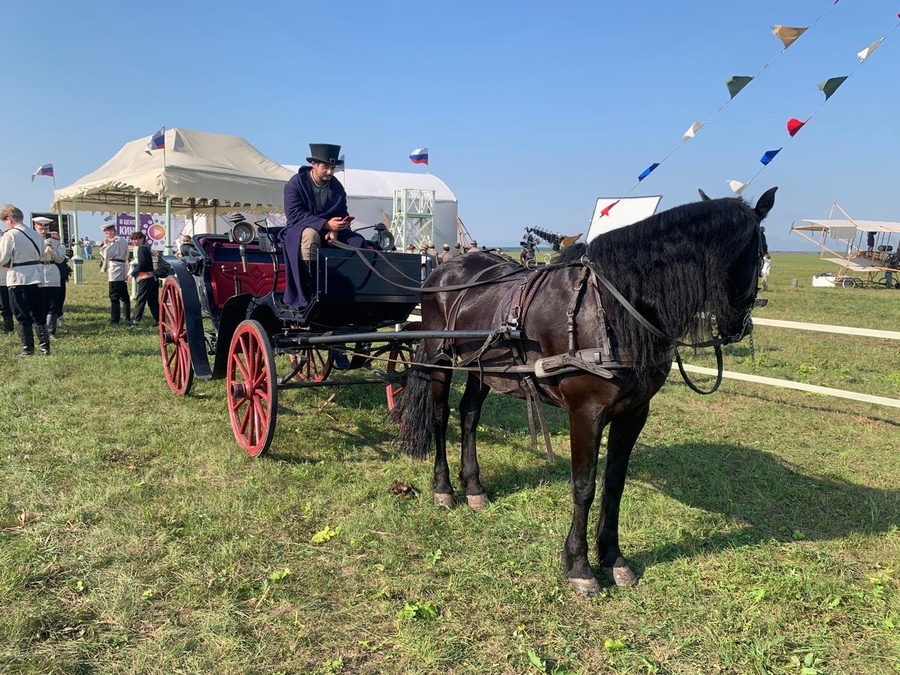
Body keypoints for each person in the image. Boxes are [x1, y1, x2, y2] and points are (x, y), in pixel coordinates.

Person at [279, 143, 367, 309]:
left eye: (333, 168)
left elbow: (342, 212)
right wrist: (326, 225)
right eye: (326, 167)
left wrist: (336, 228)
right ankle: (309, 289)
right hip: (300, 229)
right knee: (310, 236)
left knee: (358, 241)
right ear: (314, 164)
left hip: (332, 231)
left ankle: (351, 290)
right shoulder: (295, 184)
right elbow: (295, 214)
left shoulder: (337, 188)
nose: (330, 172)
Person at [0, 204, 51, 356]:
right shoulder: (35, 234)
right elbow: (42, 254)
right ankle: (45, 348)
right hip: (37, 276)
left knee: (22, 314)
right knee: (39, 314)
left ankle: (27, 349)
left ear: (9, 219)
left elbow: (3, 258)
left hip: (18, 278)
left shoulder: (10, 235)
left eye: (4, 221)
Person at [33, 218, 66, 339]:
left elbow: (60, 259)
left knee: (53, 304)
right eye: (41, 228)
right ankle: (40, 329)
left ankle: (51, 331)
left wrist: (53, 250)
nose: (43, 231)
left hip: (52, 272)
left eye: (46, 228)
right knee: (40, 304)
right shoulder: (32, 240)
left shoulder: (54, 241)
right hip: (38, 272)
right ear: (36, 227)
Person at [99, 223, 130, 324]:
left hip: (115, 268)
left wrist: (105, 245)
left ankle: (115, 318)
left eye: (107, 233)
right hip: (122, 266)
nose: (106, 236)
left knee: (114, 294)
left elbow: (106, 254)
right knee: (124, 294)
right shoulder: (123, 240)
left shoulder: (116, 241)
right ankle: (126, 316)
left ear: (111, 232)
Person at [129, 231, 160, 327]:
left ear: (142, 239)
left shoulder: (141, 249)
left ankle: (136, 321)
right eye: (133, 239)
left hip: (145, 278)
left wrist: (132, 273)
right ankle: (159, 320)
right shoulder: (146, 248)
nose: (135, 241)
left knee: (141, 300)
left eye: (137, 239)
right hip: (152, 278)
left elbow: (141, 264)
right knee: (153, 301)